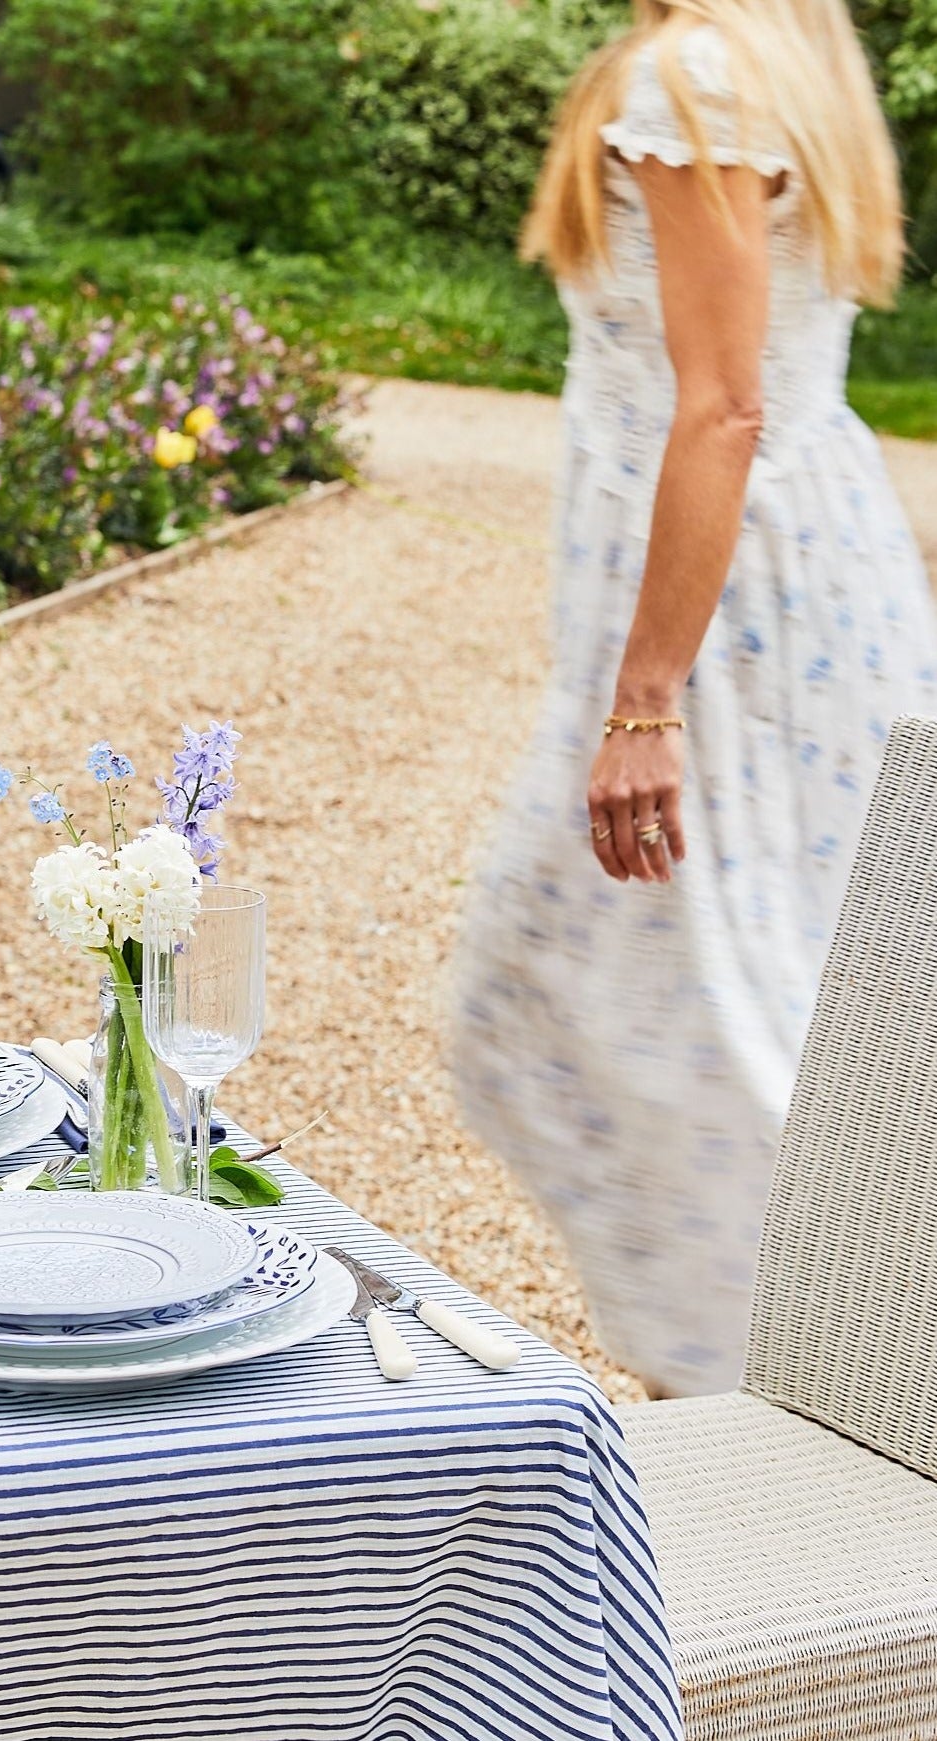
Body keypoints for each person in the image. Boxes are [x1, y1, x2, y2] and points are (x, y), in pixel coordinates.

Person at [451, 0, 937, 1397]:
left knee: (657, 1006)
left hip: (726, 626)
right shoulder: (790, 58)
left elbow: (722, 405)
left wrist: (644, 701)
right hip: (805, 584)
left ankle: (769, 1385)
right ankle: (766, 1371)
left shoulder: (695, 73)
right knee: (753, 996)